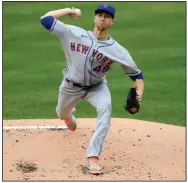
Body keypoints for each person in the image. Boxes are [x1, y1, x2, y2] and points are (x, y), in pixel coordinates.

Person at [40, 4, 144, 175]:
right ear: (94, 18)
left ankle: (93, 156)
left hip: (97, 87)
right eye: (100, 15)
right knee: (61, 113)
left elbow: (138, 76)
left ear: (112, 21)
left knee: (106, 107)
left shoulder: (118, 51)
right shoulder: (73, 33)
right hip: (70, 86)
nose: (102, 18)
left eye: (107, 16)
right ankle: (69, 118)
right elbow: (46, 19)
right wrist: (69, 11)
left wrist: (138, 97)